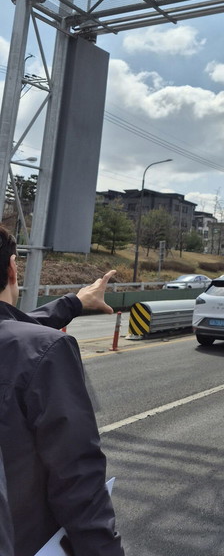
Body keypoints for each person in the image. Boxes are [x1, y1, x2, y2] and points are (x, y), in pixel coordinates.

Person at [0, 225, 125, 556]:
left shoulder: (30, 346)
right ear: (12, 269)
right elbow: (77, 478)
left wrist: (74, 302)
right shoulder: (47, 350)